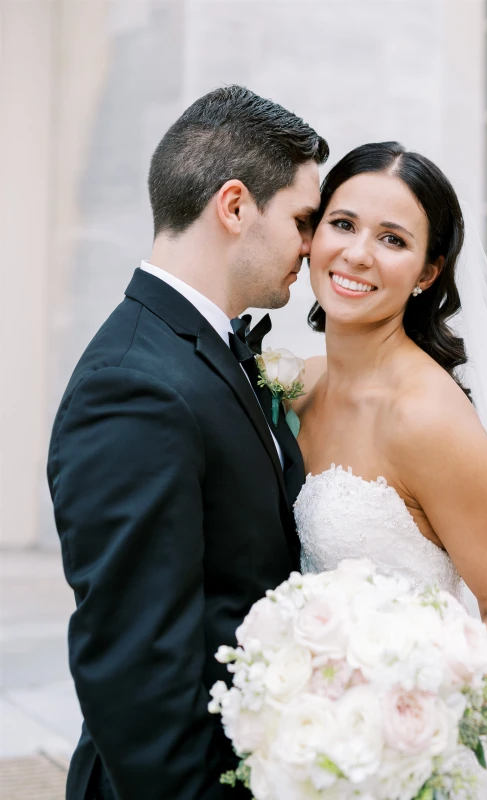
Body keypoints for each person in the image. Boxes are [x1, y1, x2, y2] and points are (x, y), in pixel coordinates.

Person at [293, 141, 487, 797]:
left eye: (393, 239)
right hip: (313, 744)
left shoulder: (425, 418)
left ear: (427, 272)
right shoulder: (297, 386)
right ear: (312, 235)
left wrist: (413, 752)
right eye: (342, 224)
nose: (357, 253)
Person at [47, 85, 327, 800]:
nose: (313, 245)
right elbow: (136, 666)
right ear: (234, 207)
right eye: (303, 219)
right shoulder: (133, 386)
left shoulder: (202, 350)